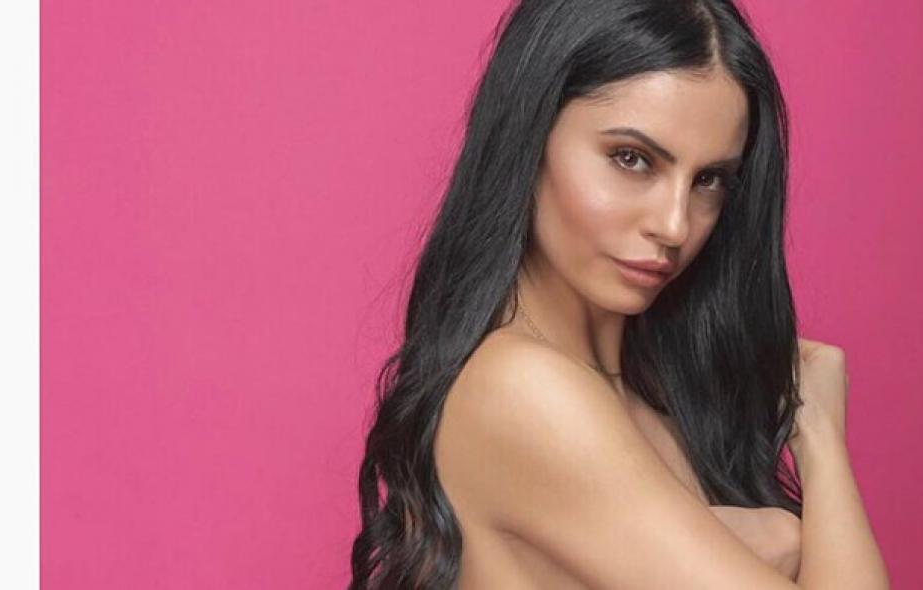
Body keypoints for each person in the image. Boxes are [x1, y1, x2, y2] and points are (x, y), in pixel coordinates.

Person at [349, 0, 890, 588]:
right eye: (631, 159)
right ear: (531, 136)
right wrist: (818, 448)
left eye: (708, 180)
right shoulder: (522, 389)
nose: (675, 225)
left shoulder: (655, 396)